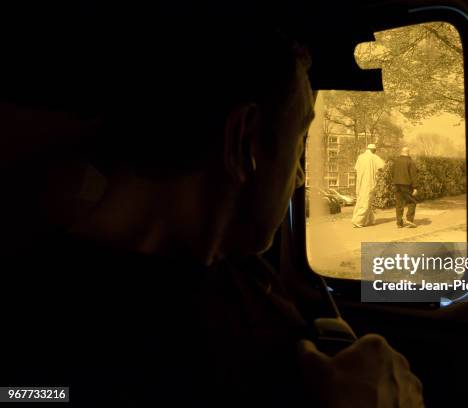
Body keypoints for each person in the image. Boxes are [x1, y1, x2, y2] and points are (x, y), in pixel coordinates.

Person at [1, 12, 424, 408]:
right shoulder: (49, 350)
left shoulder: (236, 262)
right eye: (298, 146)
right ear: (243, 142)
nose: (298, 177)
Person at [351, 143, 386, 228]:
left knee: (362, 200)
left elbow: (356, 169)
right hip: (369, 182)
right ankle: (358, 221)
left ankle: (370, 220)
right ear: (374, 150)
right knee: (366, 201)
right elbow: (383, 166)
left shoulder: (360, 157)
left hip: (360, 182)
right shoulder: (374, 157)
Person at [392, 147, 419, 228]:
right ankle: (409, 220)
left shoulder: (396, 161)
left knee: (399, 203)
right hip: (407, 185)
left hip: (396, 185)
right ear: (408, 152)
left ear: (401, 152)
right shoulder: (410, 162)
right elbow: (413, 175)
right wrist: (415, 187)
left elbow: (392, 173)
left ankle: (399, 223)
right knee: (412, 201)